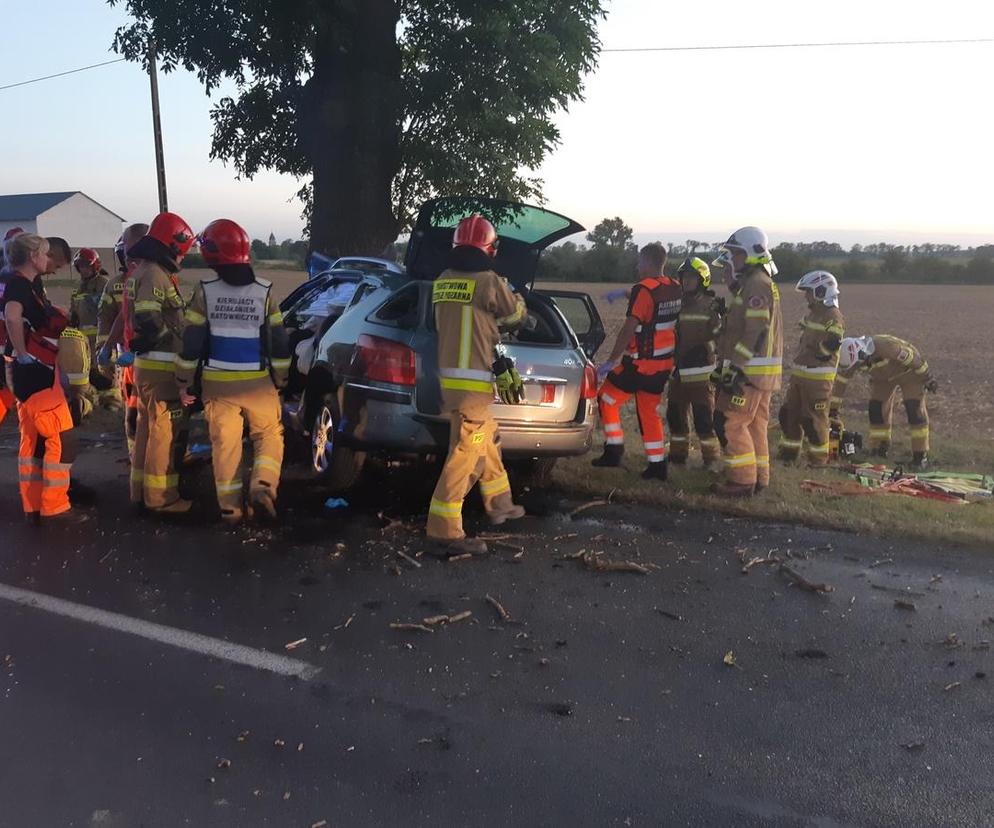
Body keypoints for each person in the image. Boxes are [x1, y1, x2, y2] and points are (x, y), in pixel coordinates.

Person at [176, 219, 291, 525]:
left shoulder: (204, 293)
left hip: (217, 384)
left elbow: (192, 343)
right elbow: (279, 342)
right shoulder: (265, 292)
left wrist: (185, 383)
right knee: (268, 436)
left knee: (225, 447)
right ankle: (263, 486)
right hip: (257, 383)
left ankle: (231, 510)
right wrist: (281, 379)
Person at [426, 214, 528, 555]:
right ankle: (444, 531)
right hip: (473, 387)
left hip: (452, 384)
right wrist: (520, 297)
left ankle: (501, 503)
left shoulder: (442, 280)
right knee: (466, 454)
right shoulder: (489, 281)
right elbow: (514, 317)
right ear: (490, 248)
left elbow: (468, 322)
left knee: (486, 440)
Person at [0, 234, 85, 524]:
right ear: (34, 255)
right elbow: (12, 316)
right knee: (62, 439)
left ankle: (34, 505)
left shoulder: (20, 283)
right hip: (35, 372)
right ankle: (56, 507)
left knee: (34, 441)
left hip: (26, 373)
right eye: (46, 253)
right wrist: (23, 353)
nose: (48, 259)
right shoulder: (19, 285)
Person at [592, 242, 681, 479]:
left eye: (640, 261)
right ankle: (657, 465)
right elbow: (655, 301)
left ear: (649, 262)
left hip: (640, 365)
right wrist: (623, 293)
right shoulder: (673, 287)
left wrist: (611, 360)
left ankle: (614, 450)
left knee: (606, 398)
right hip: (662, 365)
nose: (637, 265)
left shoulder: (643, 289)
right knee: (648, 412)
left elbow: (630, 327)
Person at [126, 212, 195, 514]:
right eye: (181, 250)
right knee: (164, 431)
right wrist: (175, 335)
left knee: (146, 429)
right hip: (162, 367)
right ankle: (161, 498)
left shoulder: (145, 271)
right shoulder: (154, 274)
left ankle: (140, 492)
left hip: (149, 366)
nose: (182, 256)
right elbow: (148, 318)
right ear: (171, 244)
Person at [711, 226, 784, 497]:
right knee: (755, 424)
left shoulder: (756, 284)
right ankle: (759, 477)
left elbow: (755, 329)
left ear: (750, 254)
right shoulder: (758, 282)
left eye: (735, 254)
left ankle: (741, 481)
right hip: (759, 373)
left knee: (731, 422)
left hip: (750, 373)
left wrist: (737, 367)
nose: (732, 260)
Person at [835, 335, 935, 468]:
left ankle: (920, 457)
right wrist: (832, 409)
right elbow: (840, 384)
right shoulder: (852, 360)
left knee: (914, 410)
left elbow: (915, 361)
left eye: (861, 363)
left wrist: (927, 378)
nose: (860, 366)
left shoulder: (887, 347)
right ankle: (879, 448)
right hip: (883, 377)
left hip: (909, 374)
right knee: (876, 409)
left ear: (863, 353)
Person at [777, 271, 845, 466]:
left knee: (814, 421)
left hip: (818, 377)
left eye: (809, 292)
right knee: (788, 414)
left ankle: (818, 460)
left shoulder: (833, 315)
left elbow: (833, 342)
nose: (807, 296)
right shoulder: (813, 314)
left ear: (823, 291)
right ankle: (789, 454)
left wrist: (820, 352)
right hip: (800, 374)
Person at [97, 224, 149, 459]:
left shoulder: (153, 278)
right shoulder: (121, 282)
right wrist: (106, 347)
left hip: (151, 360)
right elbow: (116, 316)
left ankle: (147, 461)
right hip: (128, 359)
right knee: (132, 413)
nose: (126, 255)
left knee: (153, 416)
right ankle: (136, 458)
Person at [666, 257, 723, 468]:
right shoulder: (677, 305)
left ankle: (711, 460)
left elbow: (721, 339)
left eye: (692, 277)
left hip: (701, 374)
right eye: (684, 277)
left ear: (702, 280)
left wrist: (705, 350)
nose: (687, 281)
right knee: (675, 417)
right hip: (678, 372)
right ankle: (678, 456)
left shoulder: (711, 306)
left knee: (704, 421)